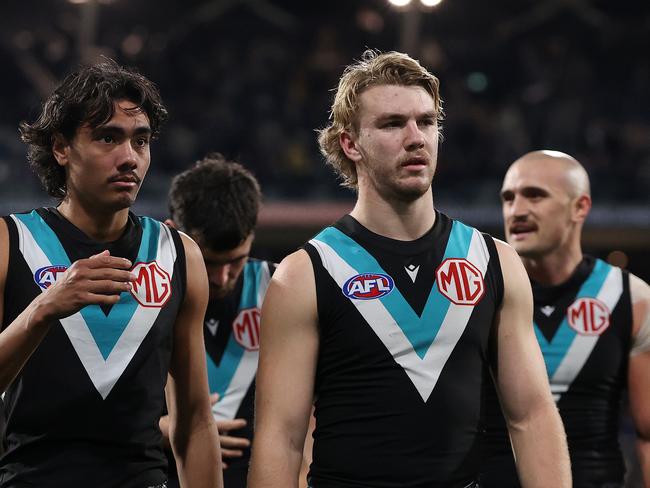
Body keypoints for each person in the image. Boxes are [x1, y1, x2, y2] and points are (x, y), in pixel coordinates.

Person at [248, 49, 571, 488]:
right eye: (392, 124)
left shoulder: (495, 262)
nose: (416, 137)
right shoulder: (305, 274)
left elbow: (531, 417)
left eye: (427, 122)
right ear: (350, 143)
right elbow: (281, 440)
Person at [0, 60, 222, 487]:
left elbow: (194, 421)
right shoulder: (11, 243)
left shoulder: (178, 255)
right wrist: (42, 310)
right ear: (61, 148)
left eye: (141, 141)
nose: (129, 158)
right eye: (108, 138)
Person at [482, 150, 650, 488]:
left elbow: (647, 433)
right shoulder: (476, 295)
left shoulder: (631, 298)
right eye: (508, 198)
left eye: (535, 195)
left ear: (580, 207)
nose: (517, 211)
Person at [162, 154, 275, 488]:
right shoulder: (144, 298)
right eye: (208, 262)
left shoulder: (279, 290)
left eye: (236, 261)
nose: (221, 278)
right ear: (172, 233)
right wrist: (167, 430)